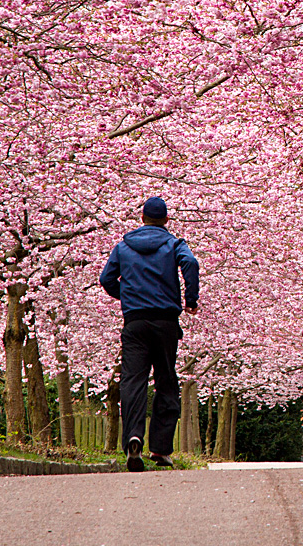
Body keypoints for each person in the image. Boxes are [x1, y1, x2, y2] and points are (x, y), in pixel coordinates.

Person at [99, 196, 199, 472]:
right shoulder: (174, 244)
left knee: (133, 380)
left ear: (142, 218)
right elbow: (190, 263)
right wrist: (190, 299)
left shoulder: (124, 246)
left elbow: (106, 279)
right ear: (166, 220)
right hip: (165, 322)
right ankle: (160, 448)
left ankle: (133, 437)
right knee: (166, 380)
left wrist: (127, 296)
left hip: (135, 322)